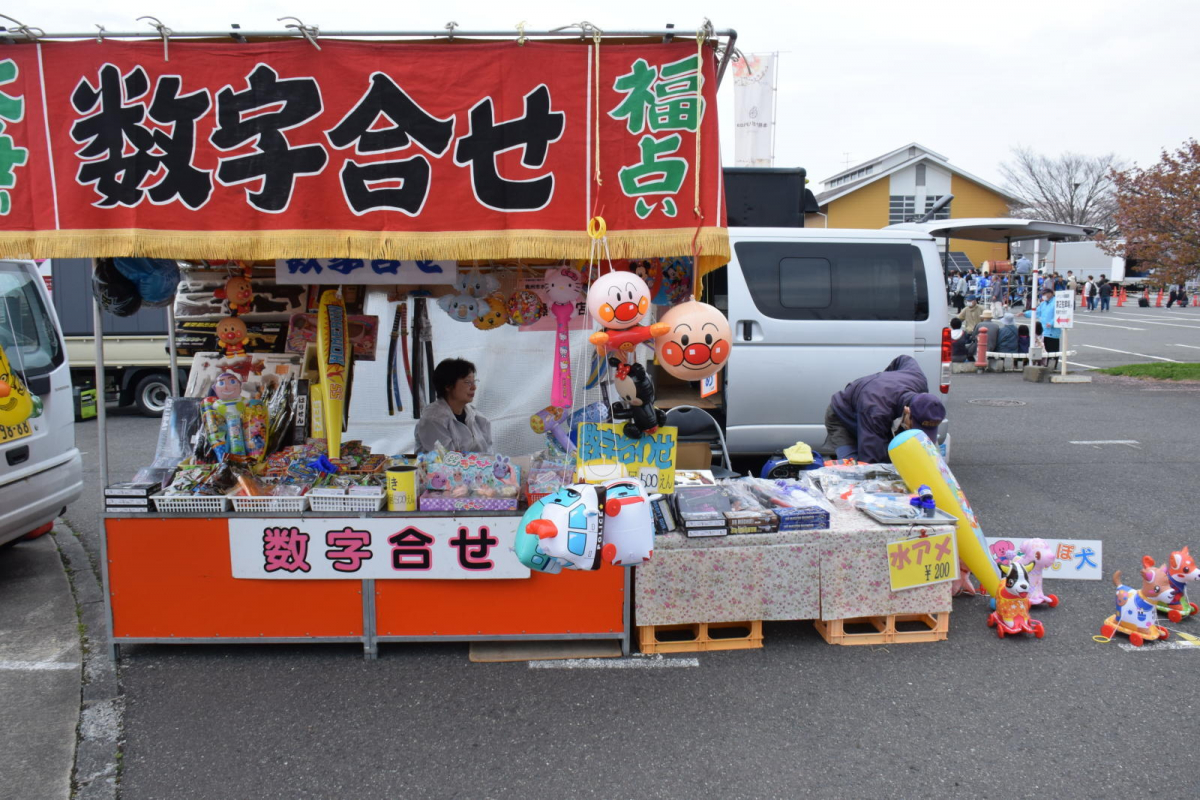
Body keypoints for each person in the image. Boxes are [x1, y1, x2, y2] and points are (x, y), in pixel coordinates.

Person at [821, 355, 947, 463]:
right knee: (852, 469)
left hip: (874, 408)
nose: (918, 433)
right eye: (916, 428)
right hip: (842, 416)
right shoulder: (876, 411)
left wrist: (885, 379)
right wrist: (880, 385)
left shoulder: (919, 381)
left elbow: (904, 359)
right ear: (908, 411)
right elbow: (870, 462)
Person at [413, 358, 494, 453]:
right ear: (448, 386)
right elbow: (446, 458)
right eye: (468, 382)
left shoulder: (477, 417)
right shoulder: (433, 419)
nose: (474, 387)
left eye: (474, 382)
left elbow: (488, 452)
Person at [1028, 287, 1061, 364]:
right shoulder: (1043, 303)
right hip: (1044, 331)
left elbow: (1059, 314)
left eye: (1044, 294)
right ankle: (1044, 364)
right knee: (1043, 349)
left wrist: (1051, 323)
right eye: (1042, 294)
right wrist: (1025, 313)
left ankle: (1052, 364)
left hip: (1053, 332)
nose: (1043, 296)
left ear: (1050, 294)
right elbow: (1036, 312)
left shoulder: (1056, 302)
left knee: (1052, 350)